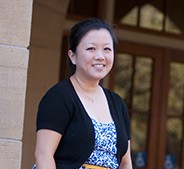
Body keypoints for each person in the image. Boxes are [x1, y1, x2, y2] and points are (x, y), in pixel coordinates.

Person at [34, 18, 133, 169]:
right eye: (91, 49)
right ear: (72, 56)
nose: (100, 56)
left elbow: (126, 163)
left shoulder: (118, 104)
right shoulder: (59, 97)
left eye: (107, 49)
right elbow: (43, 154)